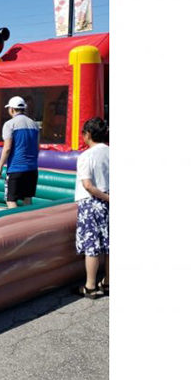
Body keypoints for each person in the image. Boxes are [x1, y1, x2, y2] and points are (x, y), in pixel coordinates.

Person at [74, 117, 109, 298]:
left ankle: (91, 285)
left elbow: (88, 185)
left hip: (92, 204)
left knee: (92, 246)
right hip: (109, 203)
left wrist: (106, 197)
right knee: (110, 245)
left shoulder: (86, 156)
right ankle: (108, 282)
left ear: (87, 134)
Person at [0, 96, 40, 208]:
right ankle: (28, 224)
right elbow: (37, 147)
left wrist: (0, 166)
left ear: (11, 109)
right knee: (27, 200)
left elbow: (7, 148)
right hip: (32, 169)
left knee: (10, 200)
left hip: (16, 168)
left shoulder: (9, 124)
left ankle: (14, 224)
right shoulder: (34, 125)